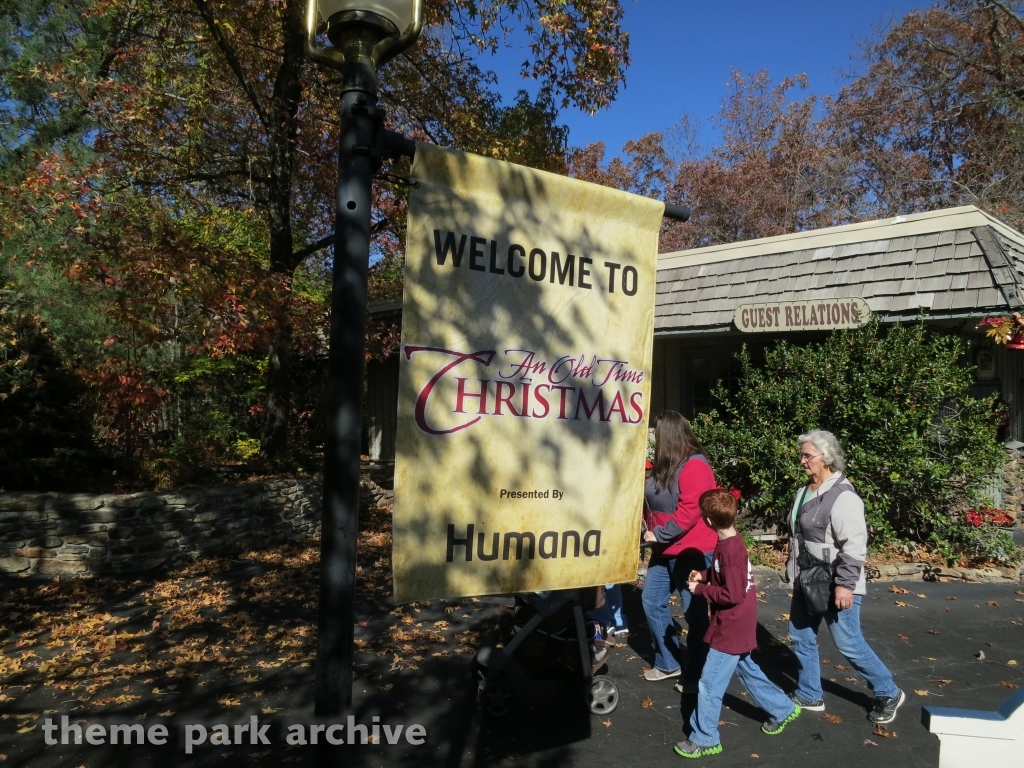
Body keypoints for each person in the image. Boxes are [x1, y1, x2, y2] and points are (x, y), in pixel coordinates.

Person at [785, 429, 905, 724]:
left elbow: (854, 545)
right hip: (808, 578)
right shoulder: (805, 490)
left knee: (848, 641)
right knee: (800, 636)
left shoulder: (843, 496)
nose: (802, 460)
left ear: (825, 457)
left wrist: (845, 586)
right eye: (802, 454)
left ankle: (888, 691)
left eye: (807, 455)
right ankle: (810, 693)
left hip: (835, 581)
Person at [673, 489, 801, 758]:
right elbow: (724, 574)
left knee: (710, 683)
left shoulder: (730, 550)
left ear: (708, 520)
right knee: (747, 670)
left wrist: (699, 589)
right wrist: (706, 575)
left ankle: (705, 737)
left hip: (730, 625)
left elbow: (732, 594)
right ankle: (782, 709)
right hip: (736, 622)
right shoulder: (729, 540)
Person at [641, 411, 718, 688]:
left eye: (656, 433)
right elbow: (650, 502)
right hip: (664, 549)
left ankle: (699, 673)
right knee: (651, 601)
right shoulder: (666, 464)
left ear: (668, 436)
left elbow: (689, 511)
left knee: (694, 614)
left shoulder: (695, 465)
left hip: (691, 551)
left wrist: (658, 534)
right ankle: (668, 662)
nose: (654, 438)